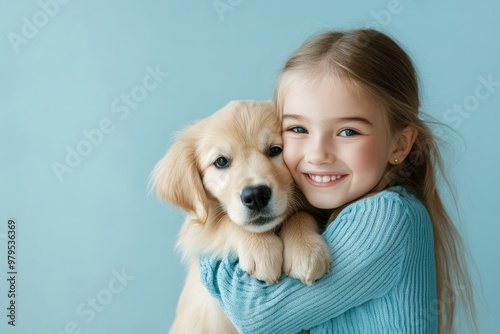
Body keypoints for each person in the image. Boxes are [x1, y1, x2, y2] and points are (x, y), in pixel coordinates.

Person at [199, 29, 477, 334]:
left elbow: (256, 315)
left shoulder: (387, 216)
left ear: (399, 145)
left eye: (348, 132)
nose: (317, 155)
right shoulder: (339, 213)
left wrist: (209, 236)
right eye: (298, 129)